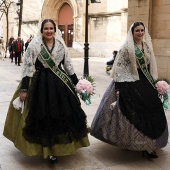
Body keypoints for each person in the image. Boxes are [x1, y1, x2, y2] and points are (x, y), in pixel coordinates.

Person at [3, 19, 90, 164]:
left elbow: (68, 66)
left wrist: (78, 84)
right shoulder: (34, 45)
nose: (49, 31)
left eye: (51, 28)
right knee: (43, 116)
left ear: (55, 30)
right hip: (39, 84)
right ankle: (47, 150)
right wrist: (24, 89)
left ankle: (58, 147)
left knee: (61, 116)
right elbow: (27, 67)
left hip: (59, 84)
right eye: (46, 28)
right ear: (41, 30)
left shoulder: (61, 45)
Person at [90, 21, 168, 158]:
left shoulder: (147, 46)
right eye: (137, 30)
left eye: (142, 30)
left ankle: (149, 146)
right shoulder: (126, 47)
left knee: (151, 110)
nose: (140, 33)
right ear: (132, 32)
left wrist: (153, 83)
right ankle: (130, 142)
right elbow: (120, 68)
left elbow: (149, 66)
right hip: (128, 82)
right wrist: (119, 88)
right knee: (131, 111)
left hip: (145, 81)